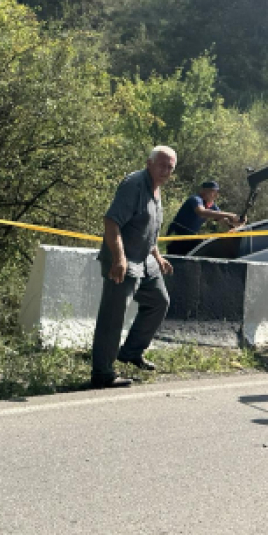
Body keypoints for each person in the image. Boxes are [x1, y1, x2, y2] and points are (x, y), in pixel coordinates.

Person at [90, 145, 177, 389]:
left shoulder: (157, 188)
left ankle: (130, 352)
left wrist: (158, 257)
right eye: (161, 165)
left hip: (146, 260)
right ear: (149, 163)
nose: (165, 171)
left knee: (159, 302)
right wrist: (119, 258)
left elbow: (147, 229)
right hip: (124, 260)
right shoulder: (134, 185)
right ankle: (102, 373)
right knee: (113, 317)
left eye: (170, 167)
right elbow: (111, 222)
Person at [166, 181, 244, 255]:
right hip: (176, 236)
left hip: (189, 238)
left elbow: (223, 220)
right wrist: (230, 215)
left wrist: (237, 223)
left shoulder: (211, 205)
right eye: (213, 192)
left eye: (217, 192)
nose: (216, 195)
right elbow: (201, 212)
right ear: (203, 191)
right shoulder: (195, 199)